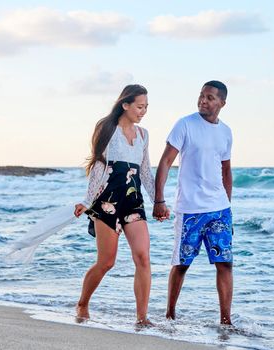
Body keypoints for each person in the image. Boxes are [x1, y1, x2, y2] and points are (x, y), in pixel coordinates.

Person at [73, 84, 155, 326]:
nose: (143, 111)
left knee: (143, 258)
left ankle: (142, 318)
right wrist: (88, 201)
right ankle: (83, 303)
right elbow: (99, 166)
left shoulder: (143, 134)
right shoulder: (106, 127)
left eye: (146, 107)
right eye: (140, 106)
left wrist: (158, 201)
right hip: (107, 201)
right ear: (125, 104)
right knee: (107, 261)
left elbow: (146, 172)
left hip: (133, 202)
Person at [153, 80, 234, 325]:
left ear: (222, 103)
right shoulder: (185, 124)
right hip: (190, 209)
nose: (203, 101)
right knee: (181, 264)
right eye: (201, 96)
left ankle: (225, 320)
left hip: (219, 210)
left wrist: (226, 204)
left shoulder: (226, 132)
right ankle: (170, 315)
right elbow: (166, 161)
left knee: (225, 263)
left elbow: (226, 169)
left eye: (210, 97)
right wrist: (159, 199)